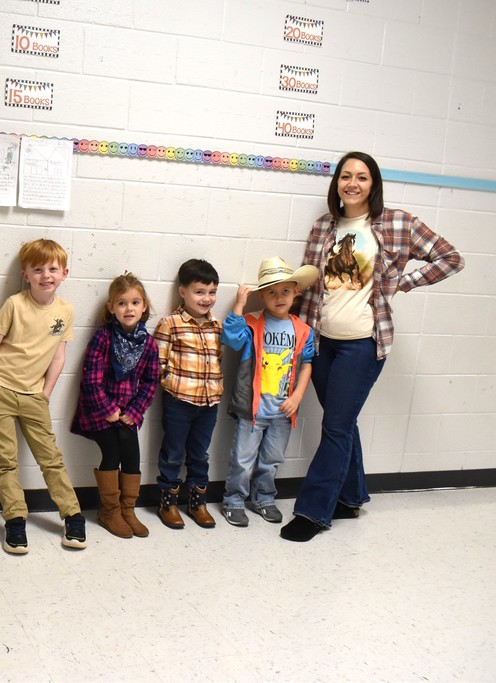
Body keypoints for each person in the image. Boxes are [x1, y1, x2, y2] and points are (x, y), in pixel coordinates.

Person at [281, 151, 464, 542]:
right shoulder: (323, 227)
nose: (352, 183)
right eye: (345, 176)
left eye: (361, 177)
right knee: (342, 422)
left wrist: (404, 282)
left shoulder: (397, 223)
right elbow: (308, 285)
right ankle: (350, 496)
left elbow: (450, 258)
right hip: (322, 342)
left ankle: (313, 511)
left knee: (335, 425)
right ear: (337, 184)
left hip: (362, 344)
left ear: (373, 184)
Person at [0, 238, 86, 554]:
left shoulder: (65, 311)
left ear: (64, 273)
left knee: (50, 459)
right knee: (5, 463)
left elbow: (58, 355)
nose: (46, 275)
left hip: (34, 397)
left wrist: (45, 393)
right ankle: (15, 522)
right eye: (37, 269)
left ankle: (73, 516)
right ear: (25, 274)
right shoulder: (14, 304)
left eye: (52, 268)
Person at [221, 257, 318, 527]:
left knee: (272, 459)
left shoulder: (302, 330)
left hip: (283, 410)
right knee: (242, 459)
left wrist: (298, 396)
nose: (279, 297)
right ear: (262, 296)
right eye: (272, 292)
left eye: (285, 291)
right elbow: (230, 339)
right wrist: (239, 306)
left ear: (296, 292)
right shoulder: (252, 323)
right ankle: (234, 500)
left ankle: (263, 498)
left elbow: (307, 364)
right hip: (253, 408)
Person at [71, 273, 160, 539]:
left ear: (144, 306)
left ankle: (127, 510)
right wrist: (108, 409)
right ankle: (109, 512)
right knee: (112, 452)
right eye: (121, 303)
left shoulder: (148, 344)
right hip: (99, 410)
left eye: (135, 302)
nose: (129, 308)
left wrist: (133, 412)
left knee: (131, 452)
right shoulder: (103, 338)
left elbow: (150, 382)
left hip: (127, 413)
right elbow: (90, 379)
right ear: (111, 308)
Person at [152, 259, 222, 530]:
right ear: (183, 291)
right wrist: (170, 386)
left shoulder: (217, 325)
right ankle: (168, 502)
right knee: (172, 453)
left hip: (210, 402)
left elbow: (218, 359)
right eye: (200, 291)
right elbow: (157, 363)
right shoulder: (170, 324)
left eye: (212, 292)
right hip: (179, 402)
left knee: (200, 454)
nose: (207, 298)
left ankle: (197, 503)